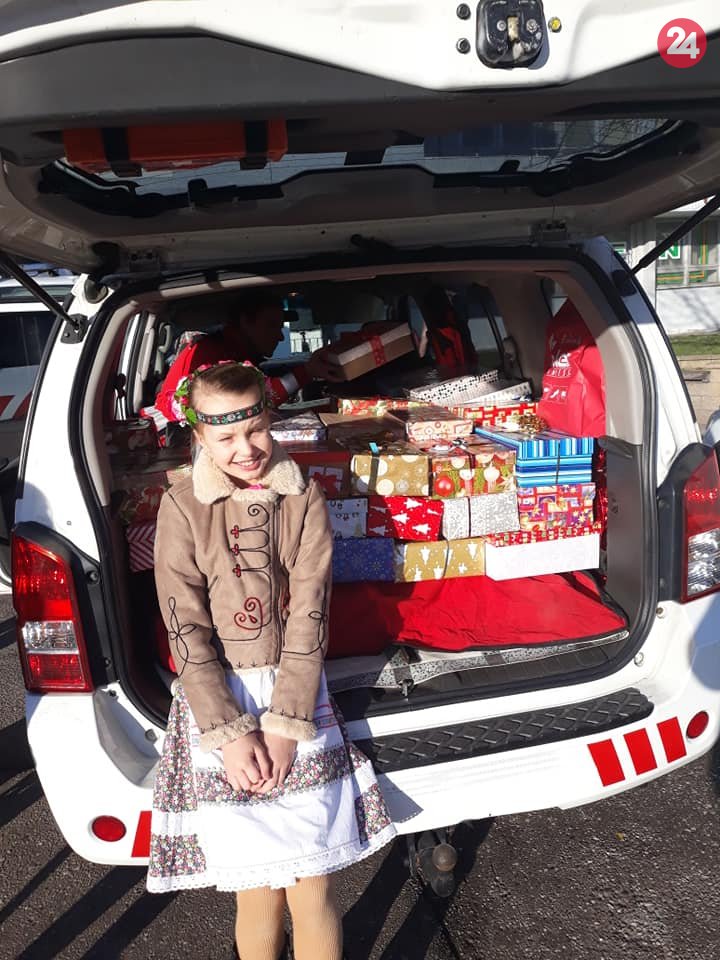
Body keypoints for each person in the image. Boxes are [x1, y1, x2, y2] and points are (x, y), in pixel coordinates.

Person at [146, 360, 396, 960]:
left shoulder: (302, 496)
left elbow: (311, 611)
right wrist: (228, 733)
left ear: (271, 419)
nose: (246, 449)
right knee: (257, 893)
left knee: (312, 886)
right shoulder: (181, 506)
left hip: (296, 697)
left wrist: (288, 724)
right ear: (199, 437)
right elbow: (185, 628)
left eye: (255, 430)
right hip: (220, 706)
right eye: (226, 437)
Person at [155, 291, 339, 420]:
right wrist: (307, 371)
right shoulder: (212, 355)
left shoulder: (237, 353)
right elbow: (260, 398)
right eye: (271, 325)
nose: (280, 336)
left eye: (280, 327)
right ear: (245, 322)